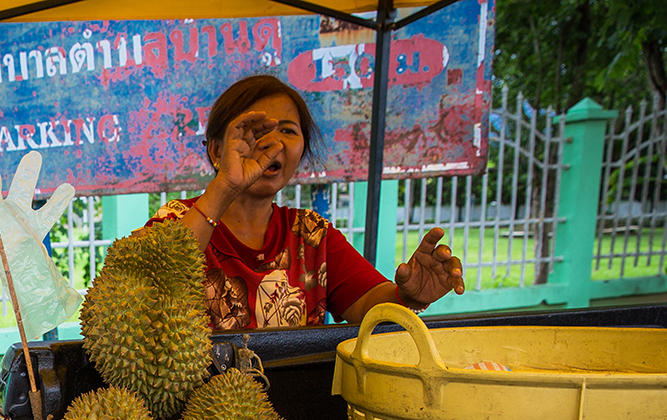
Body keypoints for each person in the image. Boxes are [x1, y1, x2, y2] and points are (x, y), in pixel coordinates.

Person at [144, 75, 465, 329]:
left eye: (288, 130)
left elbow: (369, 305)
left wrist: (408, 298)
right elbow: (145, 285)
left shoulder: (312, 235)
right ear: (216, 151)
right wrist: (225, 185)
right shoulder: (177, 221)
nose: (274, 142)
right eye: (256, 130)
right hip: (199, 411)